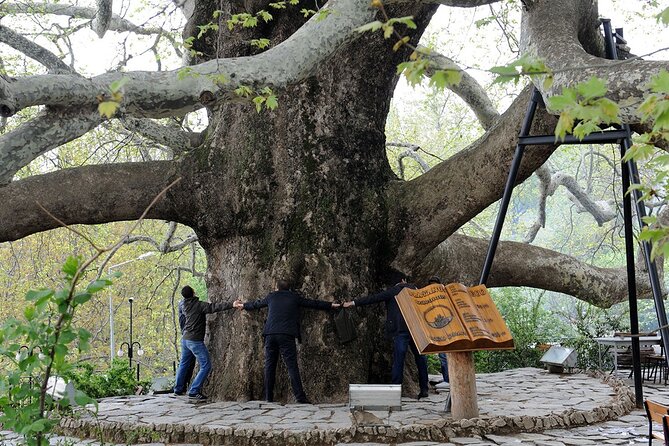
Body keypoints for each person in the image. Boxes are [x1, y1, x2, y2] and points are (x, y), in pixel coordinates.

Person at [234, 279, 339, 404]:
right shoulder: (294, 297)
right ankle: (300, 397)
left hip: (270, 333)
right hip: (286, 334)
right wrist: (330, 305)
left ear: (277, 287)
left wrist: (243, 305)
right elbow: (312, 303)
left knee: (269, 366)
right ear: (289, 288)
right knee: (292, 366)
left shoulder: (271, 297)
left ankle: (268, 397)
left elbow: (257, 304)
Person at [343, 269, 429, 399]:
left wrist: (353, 303)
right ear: (403, 280)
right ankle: (424, 389)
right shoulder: (416, 289)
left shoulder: (393, 291)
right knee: (421, 360)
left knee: (399, 360)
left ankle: (395, 390)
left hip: (401, 331)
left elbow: (373, 299)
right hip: (417, 330)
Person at [173, 285, 234, 401]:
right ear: (193, 292)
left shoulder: (182, 305)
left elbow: (181, 319)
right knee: (206, 365)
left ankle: (178, 389)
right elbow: (214, 307)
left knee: (184, 364)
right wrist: (232, 304)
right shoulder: (199, 305)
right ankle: (194, 390)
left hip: (185, 339)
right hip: (194, 340)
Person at [427, 275, 449, 385]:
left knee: (444, 355)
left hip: (446, 328)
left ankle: (447, 380)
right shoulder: (428, 298)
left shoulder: (445, 296)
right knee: (442, 356)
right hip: (434, 327)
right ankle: (446, 379)